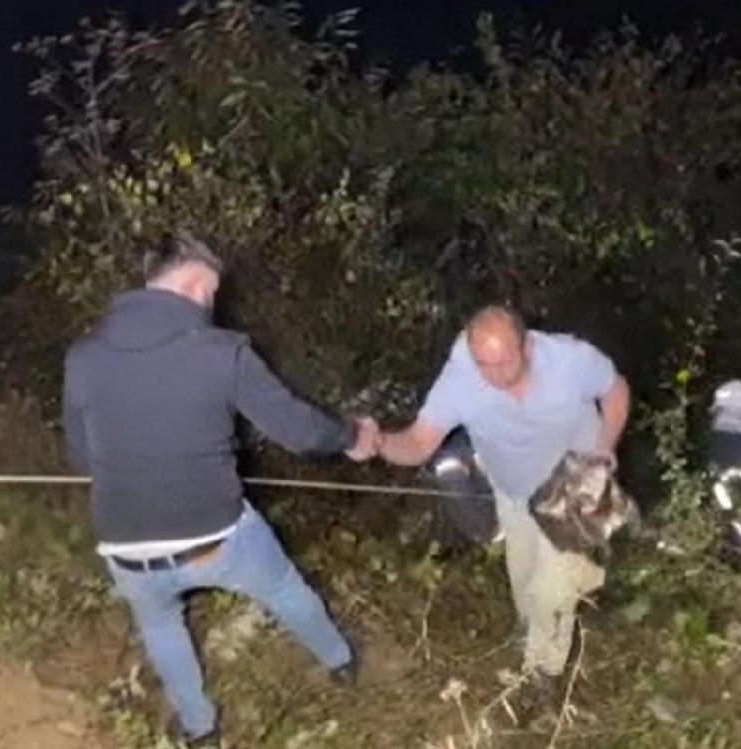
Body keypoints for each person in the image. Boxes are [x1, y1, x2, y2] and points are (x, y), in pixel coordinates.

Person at [62, 235, 377, 748]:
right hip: (216, 538)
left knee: (160, 625)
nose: (211, 306)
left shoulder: (82, 357)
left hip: (126, 547)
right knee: (283, 588)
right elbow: (299, 430)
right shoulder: (222, 352)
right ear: (192, 284)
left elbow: (81, 459)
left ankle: (200, 727)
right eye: (210, 293)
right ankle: (340, 662)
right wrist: (351, 436)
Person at [374, 305, 630, 684]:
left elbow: (615, 389)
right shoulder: (459, 379)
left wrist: (605, 446)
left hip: (577, 483)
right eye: (484, 364)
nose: (494, 375)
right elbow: (418, 442)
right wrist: (378, 442)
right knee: (523, 575)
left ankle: (541, 676)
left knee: (553, 588)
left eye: (504, 362)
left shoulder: (569, 359)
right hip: (514, 488)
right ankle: (529, 633)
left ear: (527, 346)